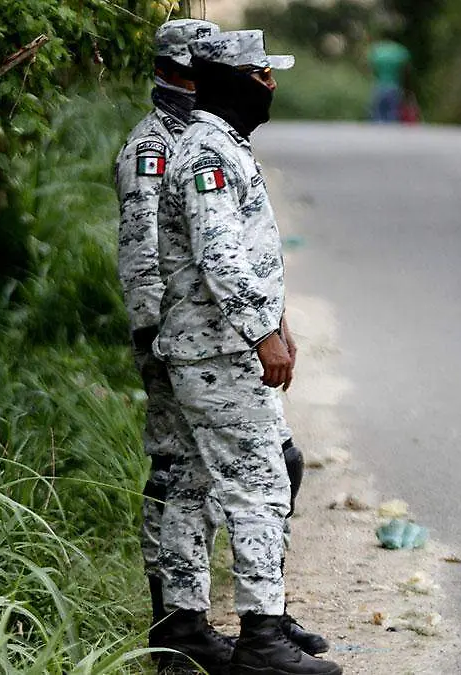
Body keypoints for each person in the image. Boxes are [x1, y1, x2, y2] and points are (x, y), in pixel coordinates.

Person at [113, 21, 327, 672]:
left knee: (189, 483)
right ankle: (262, 636)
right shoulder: (202, 151)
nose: (269, 84)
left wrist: (273, 317)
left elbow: (238, 251)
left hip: (204, 341)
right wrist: (262, 331)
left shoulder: (211, 143)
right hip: (213, 346)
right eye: (261, 73)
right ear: (228, 80)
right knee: (262, 480)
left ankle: (185, 629)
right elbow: (217, 253)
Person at [367, 39, 411, 123]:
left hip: (379, 87)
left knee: (377, 114)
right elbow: (406, 71)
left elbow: (372, 70)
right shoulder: (400, 51)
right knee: (392, 114)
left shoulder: (377, 52)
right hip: (394, 87)